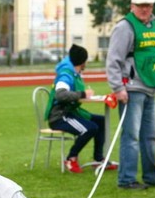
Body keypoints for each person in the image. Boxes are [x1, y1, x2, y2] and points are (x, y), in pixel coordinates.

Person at [105, 0, 155, 190]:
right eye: (141, 5)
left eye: (148, 6)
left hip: (151, 88)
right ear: (132, 6)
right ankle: (127, 179)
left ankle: (152, 176)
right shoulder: (124, 27)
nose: (145, 9)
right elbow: (113, 59)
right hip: (131, 89)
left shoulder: (154, 27)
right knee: (131, 136)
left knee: (150, 135)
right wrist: (118, 87)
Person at [46, 44, 114, 174]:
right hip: (60, 116)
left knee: (102, 121)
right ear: (82, 62)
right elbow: (60, 95)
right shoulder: (65, 75)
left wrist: (82, 95)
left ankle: (98, 159)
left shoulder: (73, 73)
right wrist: (83, 94)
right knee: (90, 128)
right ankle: (71, 158)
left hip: (70, 113)